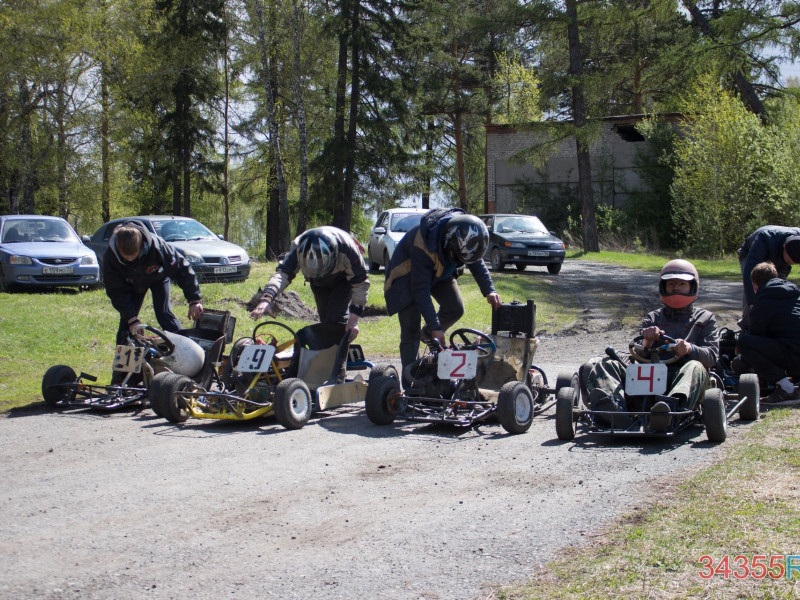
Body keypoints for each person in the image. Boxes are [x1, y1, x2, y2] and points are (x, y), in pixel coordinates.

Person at [582, 259, 719, 431]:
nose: (675, 288)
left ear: (692, 286)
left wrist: (689, 349)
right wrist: (647, 340)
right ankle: (613, 411)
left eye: (681, 284)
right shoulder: (653, 317)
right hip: (648, 375)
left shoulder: (705, 319)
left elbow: (712, 357)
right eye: (671, 284)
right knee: (606, 363)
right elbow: (638, 353)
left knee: (695, 366)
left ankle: (668, 412)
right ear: (663, 287)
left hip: (682, 377)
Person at [383, 208, 502, 383]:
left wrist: (489, 290)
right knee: (410, 331)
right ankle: (412, 385)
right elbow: (420, 290)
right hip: (406, 279)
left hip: (439, 272)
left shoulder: (464, 235)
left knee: (455, 308)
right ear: (449, 245)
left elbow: (475, 261)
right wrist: (436, 327)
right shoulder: (422, 243)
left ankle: (428, 335)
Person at [250, 226, 369, 341]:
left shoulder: (347, 249)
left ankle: (337, 354)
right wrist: (266, 299)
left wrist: (353, 320)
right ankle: (326, 349)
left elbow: (360, 283)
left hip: (342, 278)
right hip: (316, 281)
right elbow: (282, 274)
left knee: (336, 319)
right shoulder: (298, 247)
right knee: (325, 319)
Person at [104, 222, 204, 348]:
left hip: (158, 277)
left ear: (141, 246)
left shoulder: (158, 247)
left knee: (164, 314)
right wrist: (132, 319)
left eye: (133, 257)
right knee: (127, 323)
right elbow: (115, 290)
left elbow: (182, 269)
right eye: (125, 258)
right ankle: (123, 364)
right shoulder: (111, 258)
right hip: (130, 284)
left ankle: (183, 350)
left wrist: (194, 300)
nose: (130, 261)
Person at [736, 262, 800, 405]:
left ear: (755, 285)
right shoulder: (795, 294)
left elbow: (757, 336)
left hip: (794, 357)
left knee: (745, 343)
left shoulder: (763, 302)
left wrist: (741, 360)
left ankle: (787, 389)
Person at [738, 225, 800, 330]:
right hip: (750, 254)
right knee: (756, 285)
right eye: (788, 261)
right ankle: (748, 325)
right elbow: (749, 274)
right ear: (784, 247)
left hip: (778, 259)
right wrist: (753, 302)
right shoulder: (765, 238)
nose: (789, 264)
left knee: (780, 290)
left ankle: (777, 322)